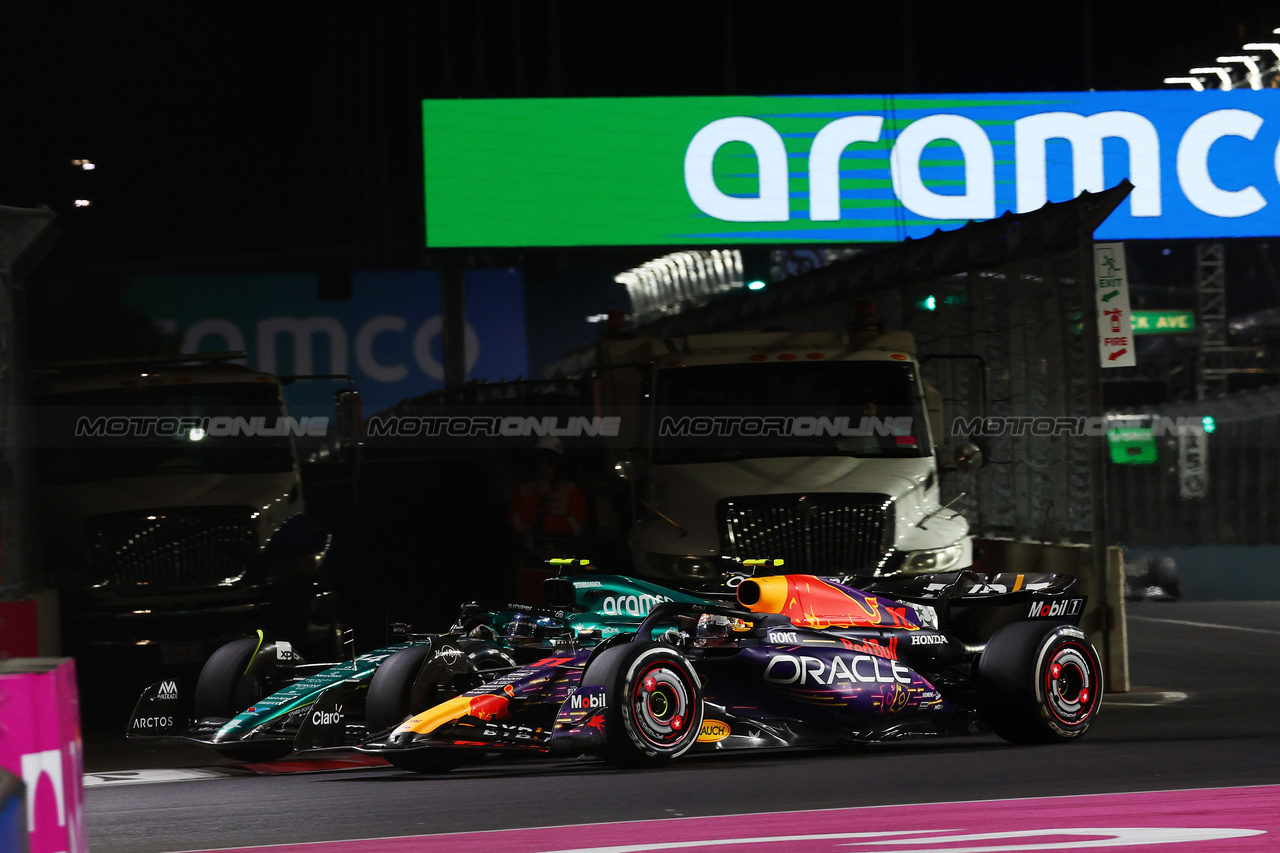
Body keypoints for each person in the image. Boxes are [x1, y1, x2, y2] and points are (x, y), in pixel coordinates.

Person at [508, 436, 587, 602]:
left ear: (558, 464)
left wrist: (546, 523)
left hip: (562, 569)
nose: (544, 467)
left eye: (549, 462)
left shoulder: (572, 491)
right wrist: (537, 497)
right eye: (540, 462)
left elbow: (576, 527)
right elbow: (517, 523)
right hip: (531, 568)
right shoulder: (524, 491)